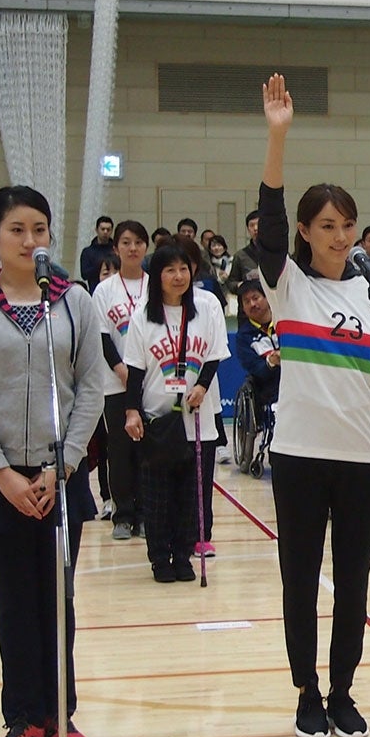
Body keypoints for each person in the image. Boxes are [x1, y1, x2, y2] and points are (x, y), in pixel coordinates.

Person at [256, 72, 370, 737]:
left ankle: (343, 687)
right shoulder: (286, 284)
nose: (341, 236)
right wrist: (278, 137)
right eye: (327, 226)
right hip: (300, 457)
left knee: (354, 582)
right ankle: (306, 690)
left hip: (362, 459)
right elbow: (270, 223)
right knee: (299, 579)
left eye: (347, 225)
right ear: (306, 233)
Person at [0, 185, 105, 737]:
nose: (30, 241)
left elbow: (91, 387)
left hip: (60, 474)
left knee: (58, 599)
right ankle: (24, 721)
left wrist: (61, 466)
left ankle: (61, 717)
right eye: (17, 230)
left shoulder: (73, 301)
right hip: (1, 477)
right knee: (16, 603)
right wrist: (3, 474)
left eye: (39, 229)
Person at [123, 241, 229, 584]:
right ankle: (159, 558)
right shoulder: (143, 316)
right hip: (158, 420)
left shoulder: (204, 309)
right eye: (170, 270)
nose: (178, 276)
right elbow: (135, 371)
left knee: (190, 495)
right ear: (157, 276)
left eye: (184, 268)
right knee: (157, 496)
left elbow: (213, 354)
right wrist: (132, 411)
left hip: (197, 421)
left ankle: (183, 555)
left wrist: (201, 386)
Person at [91, 220, 148, 541]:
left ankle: (144, 513)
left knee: (147, 451)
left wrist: (141, 375)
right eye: (126, 242)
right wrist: (121, 369)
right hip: (115, 383)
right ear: (116, 248)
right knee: (120, 450)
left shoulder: (156, 285)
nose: (132, 248)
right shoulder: (104, 290)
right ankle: (122, 514)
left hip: (150, 383)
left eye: (139, 242)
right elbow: (101, 336)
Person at [234, 278, 280, 421]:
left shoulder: (284, 322)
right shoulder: (244, 336)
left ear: (267, 298)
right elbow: (255, 368)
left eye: (256, 298)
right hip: (269, 391)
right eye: (247, 301)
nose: (252, 304)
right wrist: (270, 362)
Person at [225, 210, 261, 295]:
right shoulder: (240, 256)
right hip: (249, 302)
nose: (256, 228)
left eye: (259, 224)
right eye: (252, 225)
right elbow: (231, 283)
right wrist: (239, 285)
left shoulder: (278, 254)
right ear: (248, 229)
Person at [79, 216, 114, 289]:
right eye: (103, 229)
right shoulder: (87, 252)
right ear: (96, 230)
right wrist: (101, 265)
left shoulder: (116, 250)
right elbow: (84, 274)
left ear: (111, 231)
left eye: (108, 229)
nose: (105, 232)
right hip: (94, 291)